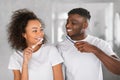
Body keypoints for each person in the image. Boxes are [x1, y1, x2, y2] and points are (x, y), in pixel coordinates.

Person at [56, 8, 120, 80]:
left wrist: (95, 50)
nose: (67, 26)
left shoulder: (100, 44)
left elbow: (118, 69)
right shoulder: (60, 47)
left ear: (85, 25)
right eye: (67, 22)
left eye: (73, 23)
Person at [8, 9, 64, 80]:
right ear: (24, 34)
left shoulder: (51, 51)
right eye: (35, 31)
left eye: (41, 29)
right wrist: (25, 64)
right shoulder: (16, 57)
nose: (40, 33)